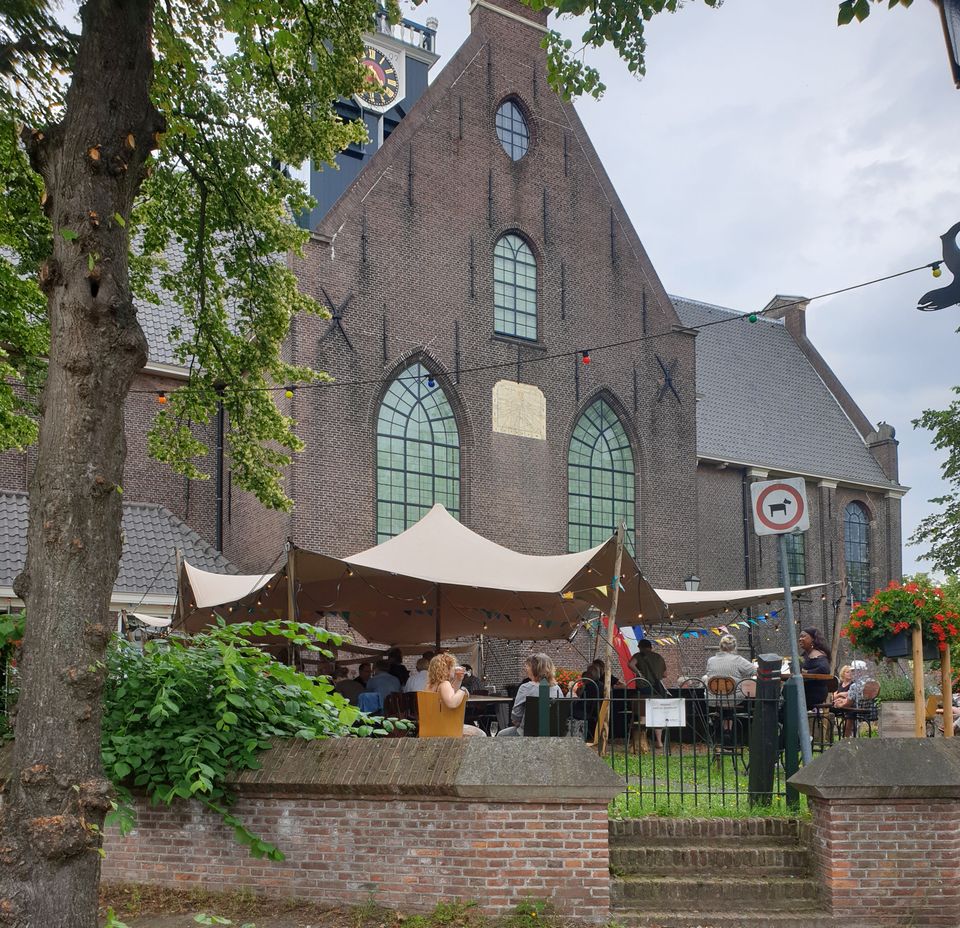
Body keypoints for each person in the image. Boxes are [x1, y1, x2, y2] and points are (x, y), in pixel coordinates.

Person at [497, 653, 564, 736]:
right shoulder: (557, 689)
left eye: (528, 666)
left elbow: (515, 717)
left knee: (501, 735)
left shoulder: (526, 687)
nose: (525, 668)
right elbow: (560, 715)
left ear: (535, 668)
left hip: (527, 733)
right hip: (551, 733)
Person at [423, 653, 485, 737]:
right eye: (453, 666)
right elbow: (452, 703)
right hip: (446, 729)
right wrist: (462, 690)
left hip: (432, 727)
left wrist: (458, 680)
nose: (454, 669)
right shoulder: (444, 684)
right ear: (446, 669)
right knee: (481, 734)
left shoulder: (430, 685)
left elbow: (450, 693)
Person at [799, 627, 832, 707]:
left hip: (814, 692)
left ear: (813, 639)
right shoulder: (804, 655)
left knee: (790, 700)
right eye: (800, 637)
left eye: (803, 636)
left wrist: (806, 672)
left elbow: (824, 669)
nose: (800, 639)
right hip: (804, 690)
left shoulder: (819, 655)